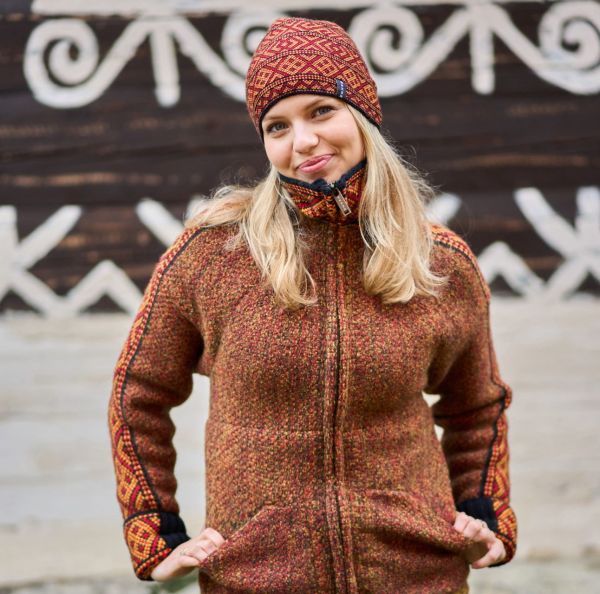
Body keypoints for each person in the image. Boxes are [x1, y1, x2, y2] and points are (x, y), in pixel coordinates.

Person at [108, 16, 517, 594]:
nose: (302, 141)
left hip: (417, 575)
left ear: (363, 114)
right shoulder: (214, 254)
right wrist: (156, 533)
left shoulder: (440, 262)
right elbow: (138, 394)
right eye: (277, 126)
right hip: (256, 578)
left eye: (321, 111)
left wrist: (483, 513)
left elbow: (477, 406)